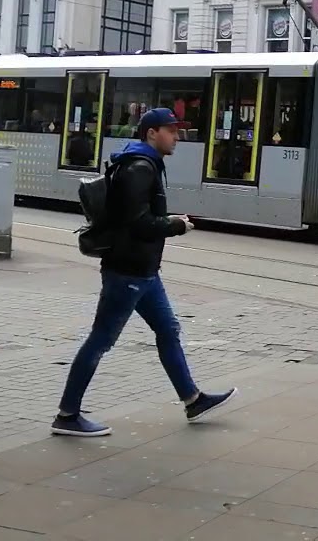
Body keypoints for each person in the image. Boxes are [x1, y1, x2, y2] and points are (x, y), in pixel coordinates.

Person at [51, 108, 238, 437]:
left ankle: (192, 399)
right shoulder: (140, 168)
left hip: (144, 271)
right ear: (152, 133)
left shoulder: (144, 164)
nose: (177, 137)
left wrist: (169, 221)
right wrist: (175, 225)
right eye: (171, 131)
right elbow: (136, 223)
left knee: (168, 330)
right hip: (128, 272)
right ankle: (67, 415)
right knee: (101, 340)